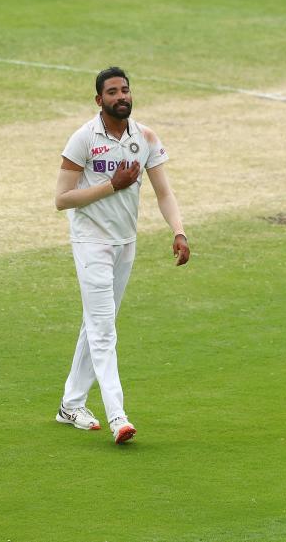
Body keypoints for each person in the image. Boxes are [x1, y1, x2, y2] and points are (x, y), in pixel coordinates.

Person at [54, 67, 190, 444]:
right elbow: (61, 200)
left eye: (125, 90)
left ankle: (70, 404)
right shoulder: (84, 139)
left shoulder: (144, 137)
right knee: (104, 332)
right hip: (91, 243)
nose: (121, 97)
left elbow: (164, 192)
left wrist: (178, 231)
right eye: (112, 92)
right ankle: (118, 416)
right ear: (99, 100)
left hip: (125, 244)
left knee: (97, 324)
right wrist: (111, 186)